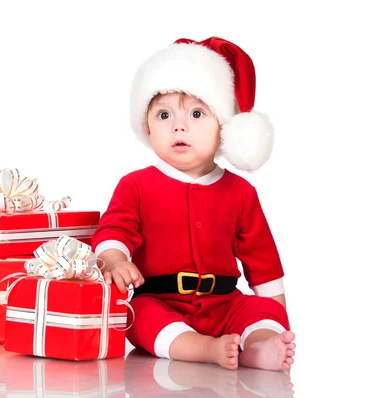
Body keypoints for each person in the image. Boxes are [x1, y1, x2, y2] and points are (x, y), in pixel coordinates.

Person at [91, 37, 296, 371]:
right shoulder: (136, 185)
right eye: (163, 115)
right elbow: (115, 228)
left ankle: (260, 346)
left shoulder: (240, 191)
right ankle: (203, 349)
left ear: (224, 128)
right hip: (159, 300)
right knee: (136, 317)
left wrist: (276, 318)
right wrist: (114, 259)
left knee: (262, 313)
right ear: (147, 127)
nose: (179, 125)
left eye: (197, 113)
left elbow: (262, 259)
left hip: (224, 302)